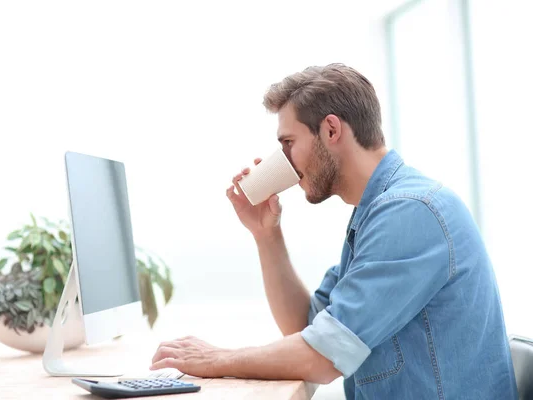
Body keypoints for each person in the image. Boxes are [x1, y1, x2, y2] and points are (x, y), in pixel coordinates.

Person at [150, 63, 517, 399]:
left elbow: (325, 357)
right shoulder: (375, 213)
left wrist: (214, 359)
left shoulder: (410, 212)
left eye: (288, 144)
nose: (285, 163)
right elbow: (305, 327)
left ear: (330, 130)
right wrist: (267, 234)